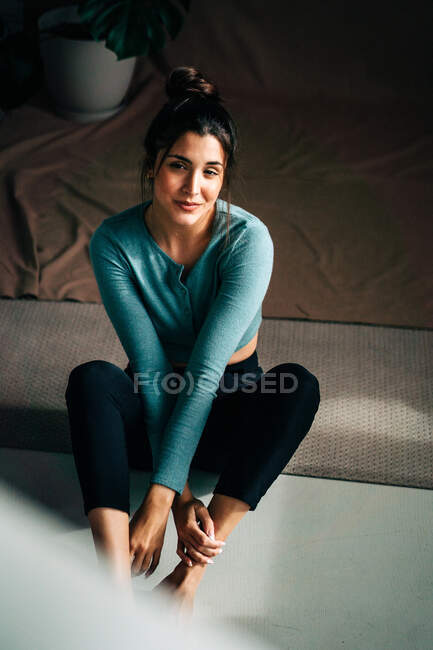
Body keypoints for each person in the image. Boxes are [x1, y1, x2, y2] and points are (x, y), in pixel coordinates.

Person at [65, 66, 320, 618]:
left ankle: (189, 574)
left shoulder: (248, 240)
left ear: (224, 177)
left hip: (226, 406)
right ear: (153, 163)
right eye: (179, 166)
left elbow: (206, 373)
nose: (193, 187)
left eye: (211, 171)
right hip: (153, 404)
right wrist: (175, 495)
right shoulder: (114, 241)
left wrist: (160, 498)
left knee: (297, 387)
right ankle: (110, 595)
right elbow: (151, 368)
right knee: (92, 379)